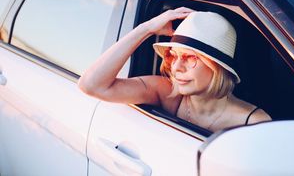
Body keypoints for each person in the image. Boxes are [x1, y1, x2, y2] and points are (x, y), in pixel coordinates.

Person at [78, 7, 271, 132]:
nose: (176, 67)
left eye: (190, 57)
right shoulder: (167, 92)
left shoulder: (255, 123)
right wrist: (145, 29)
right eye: (173, 55)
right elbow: (91, 85)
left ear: (218, 66)